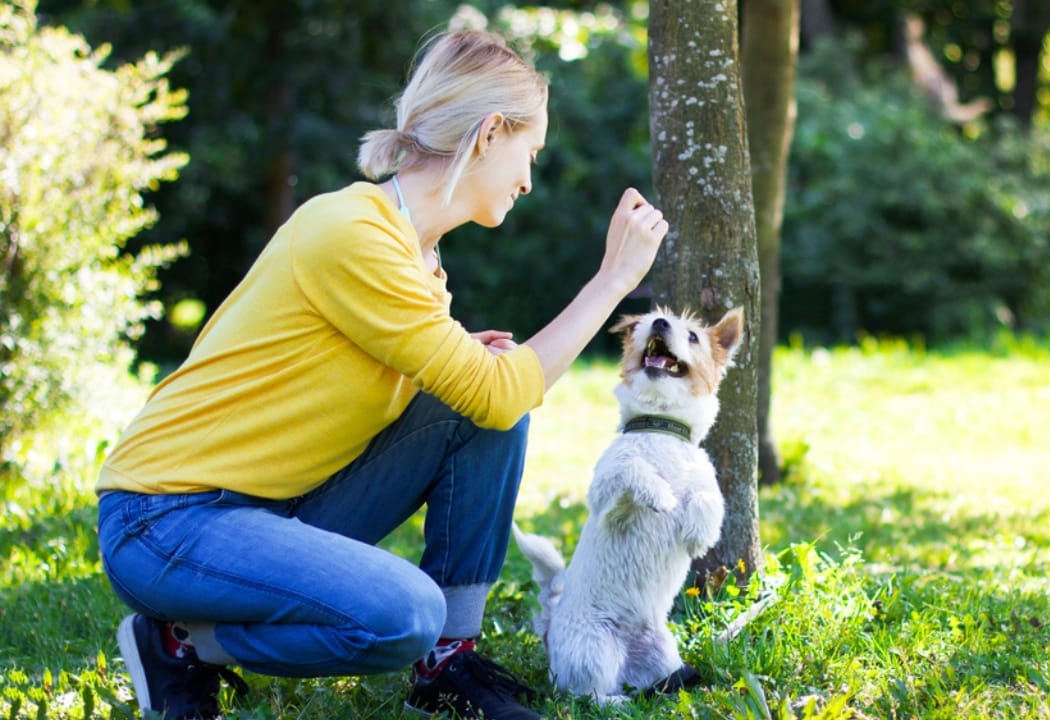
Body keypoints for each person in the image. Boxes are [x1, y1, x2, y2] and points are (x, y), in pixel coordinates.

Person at [96, 29, 669, 720]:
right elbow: (504, 386)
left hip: (271, 507)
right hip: (166, 517)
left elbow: (487, 400)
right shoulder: (351, 232)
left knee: (481, 413)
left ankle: (448, 662)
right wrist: (612, 281)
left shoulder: (420, 262)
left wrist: (469, 362)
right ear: (489, 134)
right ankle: (179, 645)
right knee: (402, 614)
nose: (527, 178)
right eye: (530, 152)